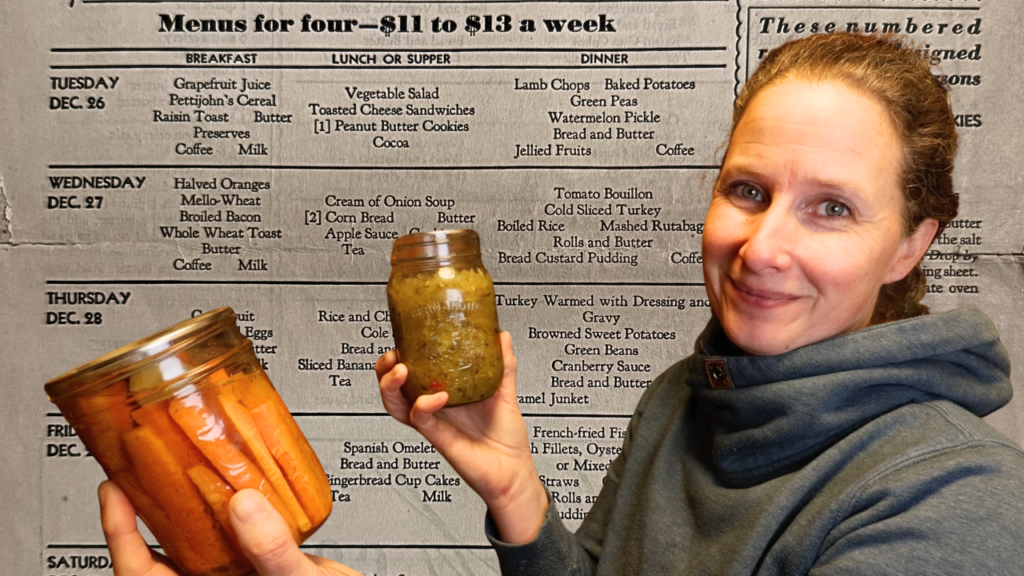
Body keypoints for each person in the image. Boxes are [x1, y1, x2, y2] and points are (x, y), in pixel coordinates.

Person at [98, 32, 1024, 576]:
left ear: (911, 244)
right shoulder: (682, 399)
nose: (763, 246)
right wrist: (521, 501)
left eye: (832, 209)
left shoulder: (955, 500)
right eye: (747, 190)